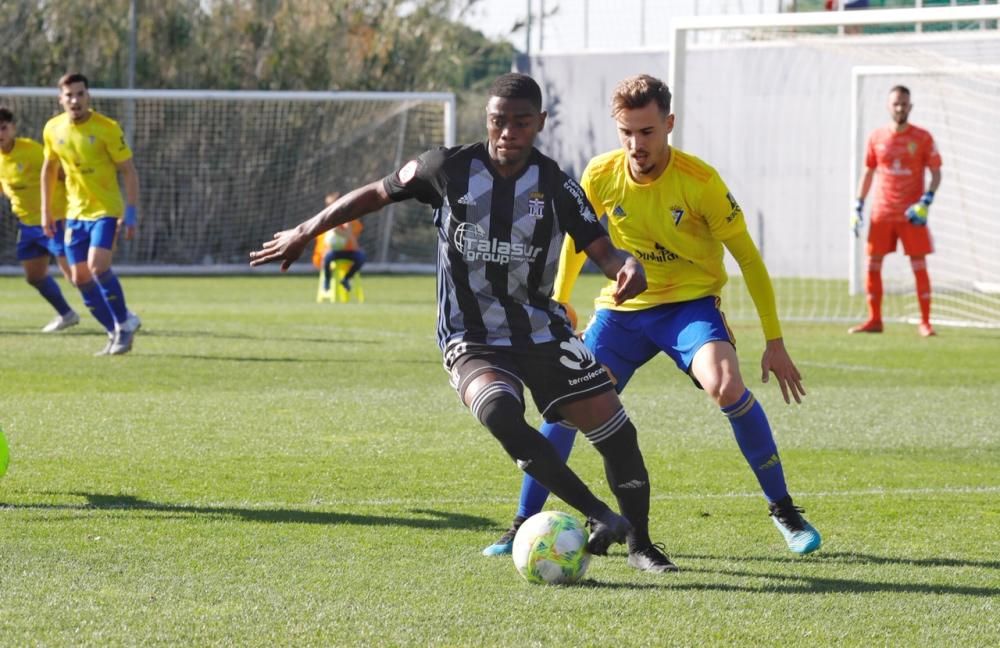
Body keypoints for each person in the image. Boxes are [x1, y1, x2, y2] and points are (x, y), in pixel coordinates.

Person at [251, 73, 678, 573]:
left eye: (521, 123)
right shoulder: (447, 168)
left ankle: (641, 545)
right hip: (470, 337)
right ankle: (600, 514)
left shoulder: (557, 184)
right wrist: (307, 229)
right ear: (487, 119)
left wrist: (628, 266)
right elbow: (376, 192)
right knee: (499, 412)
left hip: (540, 330)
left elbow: (603, 250)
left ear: (539, 123)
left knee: (616, 432)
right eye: (499, 121)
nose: (508, 133)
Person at [482, 74, 821, 559]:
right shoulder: (601, 174)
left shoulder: (700, 182)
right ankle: (520, 524)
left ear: (669, 125)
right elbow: (580, 237)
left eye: (646, 132)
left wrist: (775, 341)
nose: (636, 144)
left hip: (689, 307)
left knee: (726, 386)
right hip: (623, 313)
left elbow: (748, 258)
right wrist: (562, 298)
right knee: (566, 403)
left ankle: (785, 510)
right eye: (626, 132)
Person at [41, 72, 142, 355]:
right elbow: (49, 170)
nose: (75, 100)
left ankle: (124, 324)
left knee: (98, 267)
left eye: (80, 94)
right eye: (69, 95)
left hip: (105, 210)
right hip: (75, 213)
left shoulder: (107, 128)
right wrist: (47, 211)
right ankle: (115, 330)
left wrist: (130, 212)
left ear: (89, 96)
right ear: (61, 99)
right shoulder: (53, 129)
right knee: (80, 278)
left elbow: (129, 170)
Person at [851, 85, 942, 337]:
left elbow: (936, 172)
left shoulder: (923, 138)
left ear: (910, 106)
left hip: (911, 215)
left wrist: (926, 201)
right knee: (872, 265)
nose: (900, 108)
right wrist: (858, 204)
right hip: (881, 213)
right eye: (896, 103)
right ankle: (874, 319)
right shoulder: (876, 137)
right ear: (888, 106)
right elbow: (868, 172)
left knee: (918, 264)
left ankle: (925, 322)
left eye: (904, 103)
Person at [0, 107, 80, 332]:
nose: (0, 134)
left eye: (3, 128)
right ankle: (67, 314)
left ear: (13, 128)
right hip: (27, 226)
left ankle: (121, 316)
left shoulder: (32, 151)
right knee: (34, 276)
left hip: (54, 221)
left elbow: (63, 175)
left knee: (76, 276)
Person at [317, 192, 366, 295]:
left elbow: (353, 240)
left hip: (349, 251)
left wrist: (348, 232)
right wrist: (346, 234)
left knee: (361, 257)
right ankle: (327, 279)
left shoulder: (352, 221)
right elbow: (334, 231)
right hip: (333, 252)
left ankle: (346, 279)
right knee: (327, 257)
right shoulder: (330, 220)